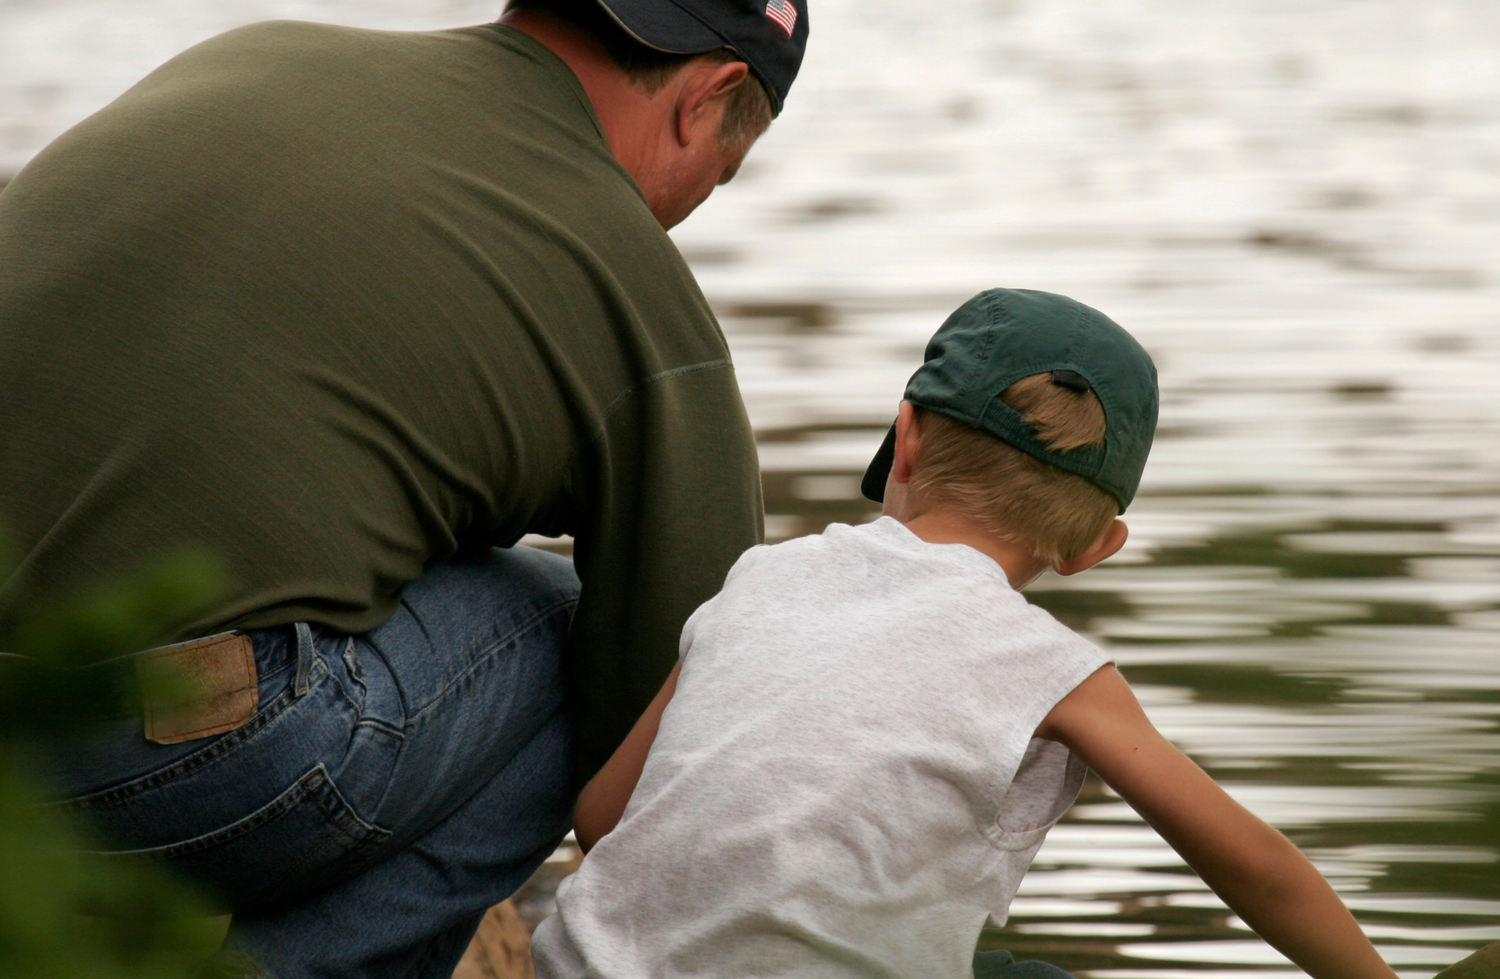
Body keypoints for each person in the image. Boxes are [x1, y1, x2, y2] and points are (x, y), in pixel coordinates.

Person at [0, 0, 807, 977]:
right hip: (136, 768)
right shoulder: (633, 288)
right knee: (564, 628)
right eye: (725, 167)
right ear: (708, 100)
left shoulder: (254, 53)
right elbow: (674, 750)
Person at [530, 288, 1401, 979]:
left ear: (903, 440)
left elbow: (606, 817)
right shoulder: (1055, 670)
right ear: (1096, 549)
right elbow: (1253, 865)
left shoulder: (765, 575)